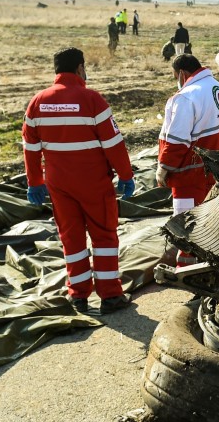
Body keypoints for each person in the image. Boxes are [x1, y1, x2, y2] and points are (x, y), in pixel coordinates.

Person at [22, 47, 135, 315]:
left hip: (59, 185)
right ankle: (110, 295)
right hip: (94, 182)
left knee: (71, 238)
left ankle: (78, 296)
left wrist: (35, 181)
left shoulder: (37, 102)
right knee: (104, 236)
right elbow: (113, 144)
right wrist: (126, 175)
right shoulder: (92, 100)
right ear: (80, 68)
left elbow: (30, 146)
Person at [157, 54, 219, 266]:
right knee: (210, 223)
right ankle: (211, 266)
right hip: (216, 169)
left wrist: (163, 168)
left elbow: (177, 140)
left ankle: (188, 271)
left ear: (182, 74)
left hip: (188, 175)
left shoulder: (185, 97)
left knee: (186, 225)